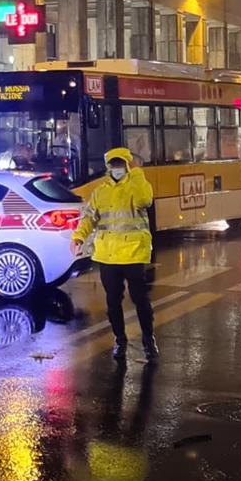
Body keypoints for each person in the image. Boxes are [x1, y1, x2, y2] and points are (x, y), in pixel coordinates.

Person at [71, 147, 158, 363]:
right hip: (108, 256)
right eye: (114, 164)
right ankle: (120, 340)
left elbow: (145, 199)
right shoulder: (101, 191)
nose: (117, 168)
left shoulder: (137, 185)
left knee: (141, 300)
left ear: (128, 165)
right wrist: (78, 237)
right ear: (108, 166)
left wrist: (137, 173)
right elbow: (89, 217)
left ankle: (148, 340)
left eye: (120, 164)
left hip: (134, 253)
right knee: (112, 303)